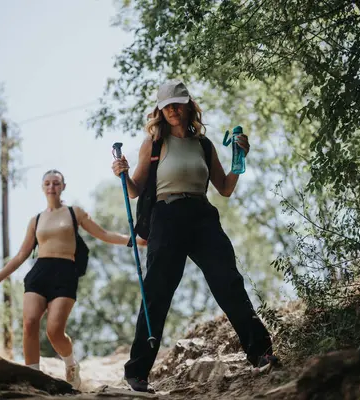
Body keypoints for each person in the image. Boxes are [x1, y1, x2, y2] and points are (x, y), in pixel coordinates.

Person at [111, 80, 280, 393]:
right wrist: (121, 173)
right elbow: (135, 189)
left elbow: (225, 188)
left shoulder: (204, 144)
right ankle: (137, 372)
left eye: (179, 103)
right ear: (160, 110)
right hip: (166, 217)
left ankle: (260, 353)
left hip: (202, 217)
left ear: (189, 104)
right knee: (157, 291)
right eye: (168, 106)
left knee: (228, 281)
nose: (174, 110)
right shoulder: (154, 143)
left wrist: (239, 160)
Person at [0, 169, 146, 390]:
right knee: (30, 323)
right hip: (40, 272)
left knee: (54, 330)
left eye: (56, 183)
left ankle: (70, 363)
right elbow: (21, 255)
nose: (52, 187)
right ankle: (34, 377)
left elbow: (104, 234)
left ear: (63, 186)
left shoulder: (73, 213)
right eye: (47, 183)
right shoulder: (36, 220)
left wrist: (135, 241)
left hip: (65, 272)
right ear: (43, 187)